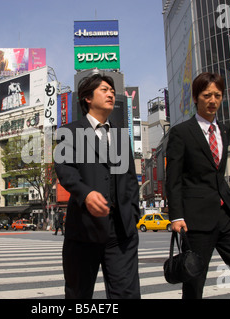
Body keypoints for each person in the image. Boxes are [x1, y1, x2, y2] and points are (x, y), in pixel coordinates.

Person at [165, 72, 230, 299]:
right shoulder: (181, 133)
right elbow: (173, 179)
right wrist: (176, 216)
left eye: (217, 95)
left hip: (227, 216)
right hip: (196, 221)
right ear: (195, 97)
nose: (213, 100)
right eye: (207, 95)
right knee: (194, 285)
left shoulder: (225, 131)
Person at [54, 73, 141, 299]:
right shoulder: (70, 131)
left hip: (121, 232)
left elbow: (131, 179)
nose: (111, 93)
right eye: (104, 89)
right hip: (83, 230)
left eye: (112, 90)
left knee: (127, 295)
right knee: (78, 296)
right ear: (87, 98)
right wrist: (85, 194)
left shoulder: (121, 136)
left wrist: (133, 213)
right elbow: (65, 169)